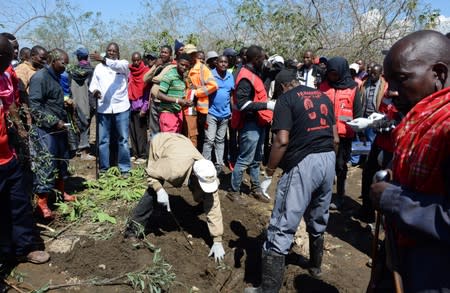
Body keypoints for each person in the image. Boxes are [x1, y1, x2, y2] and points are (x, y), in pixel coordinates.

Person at [370, 30, 450, 292]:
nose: (390, 92)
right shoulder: (419, 120)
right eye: (388, 81)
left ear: (438, 74)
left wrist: (394, 200)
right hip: (403, 260)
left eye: (401, 79)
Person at [258, 68, 337, 291]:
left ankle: (267, 289)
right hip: (328, 158)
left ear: (282, 86)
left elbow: (281, 141)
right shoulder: (322, 95)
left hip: (304, 163)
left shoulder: (286, 100)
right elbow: (336, 137)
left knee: (282, 222)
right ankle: (315, 266)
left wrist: (270, 171)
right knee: (319, 213)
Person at [124, 132, 225, 263]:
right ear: (194, 176)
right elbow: (152, 174)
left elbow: (214, 206)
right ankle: (132, 230)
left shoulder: (207, 172)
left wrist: (217, 240)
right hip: (161, 143)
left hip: (181, 144)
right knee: (152, 192)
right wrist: (159, 190)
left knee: (208, 197)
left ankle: (191, 211)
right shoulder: (173, 168)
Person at [0, 35, 50, 265]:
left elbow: (10, 106)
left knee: (18, 203)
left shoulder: (5, 76)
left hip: (7, 156)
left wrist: (20, 130)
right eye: (9, 58)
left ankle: (25, 247)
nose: (13, 63)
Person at [29, 48, 76, 219]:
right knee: (46, 165)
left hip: (59, 128)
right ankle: (42, 203)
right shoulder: (40, 78)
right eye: (63, 62)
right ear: (53, 60)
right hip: (45, 130)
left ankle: (61, 193)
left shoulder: (57, 77)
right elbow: (35, 107)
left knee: (62, 160)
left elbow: (53, 100)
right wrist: (53, 121)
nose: (65, 66)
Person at [227, 45, 275, 204]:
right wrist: (266, 106)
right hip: (250, 123)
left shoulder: (254, 73)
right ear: (256, 59)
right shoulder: (245, 77)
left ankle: (255, 189)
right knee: (244, 159)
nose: (264, 61)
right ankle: (233, 192)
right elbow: (241, 104)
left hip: (258, 122)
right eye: (262, 59)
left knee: (256, 159)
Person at [319, 56, 362, 210]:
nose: (332, 77)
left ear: (343, 72)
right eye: (330, 73)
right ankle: (325, 193)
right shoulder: (323, 87)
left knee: (340, 166)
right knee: (325, 165)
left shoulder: (353, 88)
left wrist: (359, 132)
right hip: (325, 133)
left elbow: (357, 113)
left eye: (335, 74)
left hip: (344, 136)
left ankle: (340, 194)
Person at [89, 42, 131, 177]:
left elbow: (116, 65)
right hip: (104, 108)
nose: (111, 52)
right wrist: (95, 91)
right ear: (106, 51)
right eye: (109, 50)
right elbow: (93, 85)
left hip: (121, 107)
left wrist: (103, 59)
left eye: (114, 51)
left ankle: (124, 169)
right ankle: (104, 169)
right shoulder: (99, 68)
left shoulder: (123, 65)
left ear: (118, 53)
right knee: (103, 140)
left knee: (123, 139)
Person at [202, 55, 234, 174]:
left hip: (225, 114)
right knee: (209, 140)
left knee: (220, 140)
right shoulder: (210, 75)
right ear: (216, 63)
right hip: (211, 113)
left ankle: (219, 164)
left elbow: (230, 94)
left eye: (225, 62)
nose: (223, 64)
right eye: (221, 62)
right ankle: (206, 164)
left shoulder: (230, 76)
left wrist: (232, 110)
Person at [183, 44, 218, 151]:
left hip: (201, 108)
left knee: (199, 135)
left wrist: (197, 92)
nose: (192, 56)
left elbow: (213, 85)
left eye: (194, 54)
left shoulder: (202, 68)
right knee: (188, 133)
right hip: (187, 106)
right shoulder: (185, 67)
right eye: (189, 54)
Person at [68, 47, 95, 161]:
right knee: (86, 125)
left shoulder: (71, 70)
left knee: (77, 124)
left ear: (78, 57)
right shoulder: (92, 70)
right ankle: (84, 151)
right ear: (87, 57)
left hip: (75, 101)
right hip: (88, 101)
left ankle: (78, 148)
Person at [143, 45, 174, 138]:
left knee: (163, 129)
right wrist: (155, 66)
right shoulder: (158, 66)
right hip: (153, 101)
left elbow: (161, 79)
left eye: (166, 52)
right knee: (153, 129)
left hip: (164, 103)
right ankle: (154, 150)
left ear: (170, 55)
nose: (163, 54)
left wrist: (151, 78)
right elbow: (145, 78)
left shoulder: (172, 67)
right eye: (162, 52)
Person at [157, 53, 192, 133]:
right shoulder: (170, 75)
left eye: (187, 66)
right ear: (177, 62)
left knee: (175, 142)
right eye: (182, 64)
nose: (184, 67)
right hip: (168, 114)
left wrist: (185, 102)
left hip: (178, 114)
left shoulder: (182, 77)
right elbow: (159, 95)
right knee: (169, 142)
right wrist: (178, 101)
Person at [128, 52, 150, 164]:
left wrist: (144, 108)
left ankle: (143, 154)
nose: (136, 63)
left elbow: (147, 92)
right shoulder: (130, 73)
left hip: (141, 107)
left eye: (138, 60)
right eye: (134, 60)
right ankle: (135, 153)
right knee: (132, 132)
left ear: (141, 60)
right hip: (131, 106)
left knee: (141, 133)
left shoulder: (145, 72)